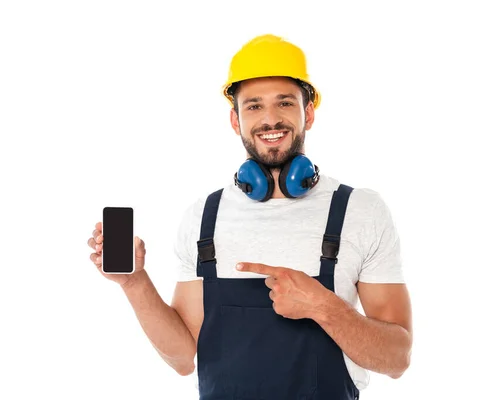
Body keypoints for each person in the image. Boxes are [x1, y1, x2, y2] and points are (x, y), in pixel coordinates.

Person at [88, 33, 412, 399]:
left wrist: (325, 308)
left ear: (308, 113)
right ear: (235, 120)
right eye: (254, 106)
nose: (270, 120)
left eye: (285, 103)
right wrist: (135, 283)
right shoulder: (203, 217)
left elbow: (397, 359)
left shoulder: (359, 210)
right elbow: (181, 357)